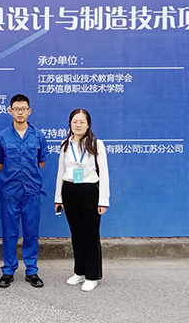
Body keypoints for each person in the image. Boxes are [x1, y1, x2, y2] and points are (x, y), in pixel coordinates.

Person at [0, 94, 49, 288]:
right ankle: (8, 270)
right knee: (9, 232)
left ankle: (31, 270)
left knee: (31, 232)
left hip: (31, 191)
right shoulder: (2, 137)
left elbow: (41, 161)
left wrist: (29, 176)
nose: (20, 112)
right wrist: (12, 176)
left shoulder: (38, 135)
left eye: (23, 109)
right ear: (10, 111)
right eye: (16, 109)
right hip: (9, 192)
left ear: (29, 111)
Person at [54, 108, 109, 292]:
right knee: (76, 234)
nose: (78, 125)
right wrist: (58, 198)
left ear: (88, 124)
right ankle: (79, 272)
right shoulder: (65, 145)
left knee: (90, 235)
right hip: (70, 191)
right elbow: (61, 172)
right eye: (74, 121)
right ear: (70, 124)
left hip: (89, 191)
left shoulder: (96, 144)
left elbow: (104, 173)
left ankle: (92, 275)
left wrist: (103, 200)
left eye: (82, 122)